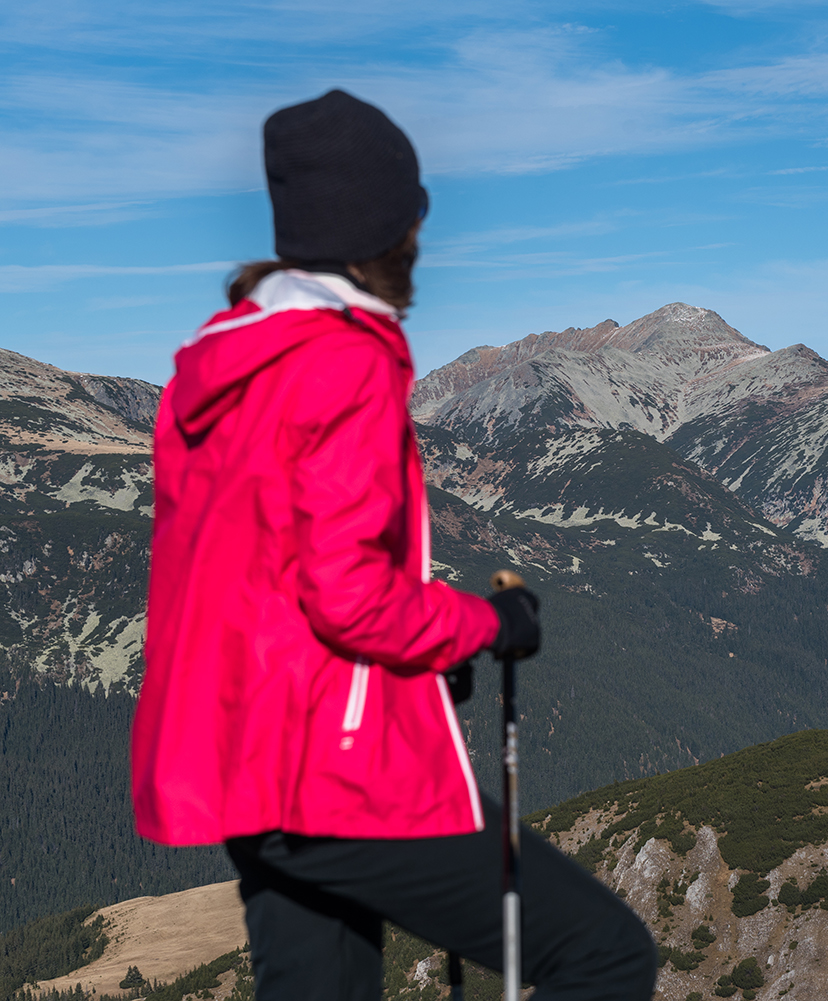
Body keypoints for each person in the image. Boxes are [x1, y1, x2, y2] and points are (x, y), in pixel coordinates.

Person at [131, 89, 656, 1001]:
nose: (421, 235)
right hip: (333, 775)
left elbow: (254, 586)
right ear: (386, 226)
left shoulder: (218, 364)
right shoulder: (346, 360)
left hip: (243, 770)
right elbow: (347, 595)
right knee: (603, 953)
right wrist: (485, 624)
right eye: (415, 213)